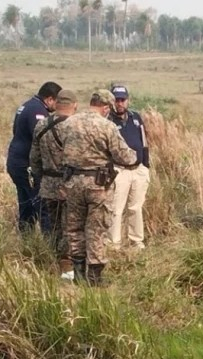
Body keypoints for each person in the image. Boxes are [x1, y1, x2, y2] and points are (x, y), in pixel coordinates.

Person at [61, 90, 137, 286]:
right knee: (96, 230)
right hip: (98, 185)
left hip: (73, 183)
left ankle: (78, 275)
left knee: (74, 228)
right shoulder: (107, 126)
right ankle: (95, 278)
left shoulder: (69, 123)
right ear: (105, 107)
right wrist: (135, 156)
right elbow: (125, 157)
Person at [30, 89, 79, 281]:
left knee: (54, 225)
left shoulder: (41, 124)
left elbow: (34, 158)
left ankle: (54, 261)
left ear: (56, 103)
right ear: (74, 105)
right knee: (70, 226)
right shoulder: (74, 126)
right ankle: (67, 269)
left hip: (48, 184)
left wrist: (40, 177)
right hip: (69, 185)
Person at [6, 81, 62, 234]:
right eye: (57, 102)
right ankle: (48, 242)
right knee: (40, 204)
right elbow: (41, 138)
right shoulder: (37, 112)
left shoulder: (27, 105)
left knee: (26, 204)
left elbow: (15, 130)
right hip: (26, 164)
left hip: (16, 161)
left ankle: (26, 237)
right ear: (50, 99)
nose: (57, 107)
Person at [107, 84, 150, 250]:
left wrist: (145, 166)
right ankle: (114, 243)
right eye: (116, 100)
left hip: (138, 169)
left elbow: (144, 142)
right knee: (116, 209)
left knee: (136, 208)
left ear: (127, 100)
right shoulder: (108, 121)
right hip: (119, 170)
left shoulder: (136, 117)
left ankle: (136, 241)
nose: (120, 103)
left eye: (122, 100)